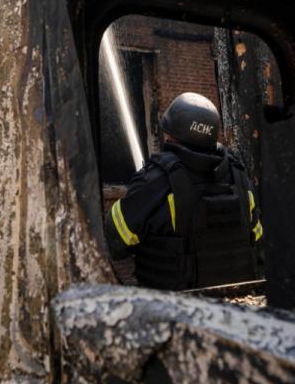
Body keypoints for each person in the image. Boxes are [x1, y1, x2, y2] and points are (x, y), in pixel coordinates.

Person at [104, 92, 263, 290]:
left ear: (171, 134)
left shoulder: (154, 181)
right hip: (237, 307)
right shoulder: (239, 177)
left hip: (175, 311)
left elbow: (115, 241)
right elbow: (256, 236)